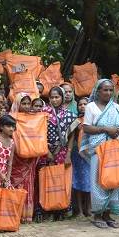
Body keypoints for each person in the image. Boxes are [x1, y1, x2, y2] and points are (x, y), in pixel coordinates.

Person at [79, 79, 119, 230]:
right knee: (98, 181)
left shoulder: (118, 108)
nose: (108, 92)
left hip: (115, 148)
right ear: (98, 91)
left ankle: (108, 215)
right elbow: (86, 128)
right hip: (98, 149)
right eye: (105, 90)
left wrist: (118, 130)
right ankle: (98, 215)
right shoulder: (91, 107)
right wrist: (106, 129)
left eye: (110, 90)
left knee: (114, 179)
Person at [41, 86, 77, 221]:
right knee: (47, 180)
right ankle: (48, 209)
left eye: (57, 97)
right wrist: (47, 151)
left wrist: (68, 154)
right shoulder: (43, 113)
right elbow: (39, 134)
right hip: (46, 152)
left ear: (62, 98)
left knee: (61, 181)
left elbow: (72, 136)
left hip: (62, 152)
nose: (54, 100)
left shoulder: (69, 115)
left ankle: (61, 210)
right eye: (52, 97)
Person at [10, 93, 40, 223]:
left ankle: (25, 215)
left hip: (30, 157)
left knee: (28, 184)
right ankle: (13, 214)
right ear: (18, 104)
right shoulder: (11, 118)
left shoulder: (35, 119)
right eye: (23, 103)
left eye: (28, 103)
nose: (26, 106)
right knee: (15, 184)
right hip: (16, 157)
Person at [67, 97, 91, 218]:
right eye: (80, 104)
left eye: (85, 104)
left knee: (90, 181)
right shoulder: (76, 121)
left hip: (91, 154)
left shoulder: (94, 120)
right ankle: (79, 210)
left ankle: (89, 209)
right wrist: (68, 154)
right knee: (78, 181)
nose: (82, 106)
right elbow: (70, 137)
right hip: (78, 154)